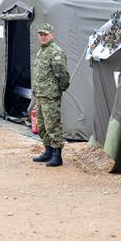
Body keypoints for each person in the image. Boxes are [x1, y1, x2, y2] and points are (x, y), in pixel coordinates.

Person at [31, 23, 70, 167]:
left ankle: (56, 155)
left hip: (50, 96)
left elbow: (62, 75)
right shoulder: (42, 51)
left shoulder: (55, 52)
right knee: (42, 125)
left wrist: (59, 89)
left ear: (52, 35)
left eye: (45, 34)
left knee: (52, 125)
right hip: (41, 95)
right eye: (40, 34)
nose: (42, 37)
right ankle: (47, 151)